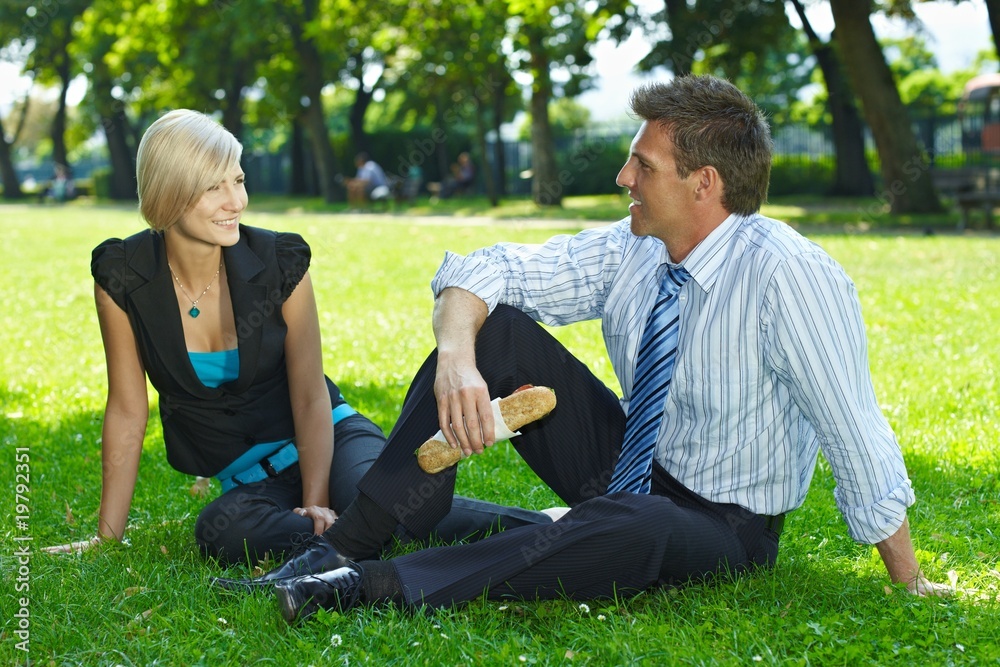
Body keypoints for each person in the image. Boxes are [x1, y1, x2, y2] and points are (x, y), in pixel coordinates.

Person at [224, 76, 948, 624]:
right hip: (627, 466)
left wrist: (908, 577)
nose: (622, 179)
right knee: (494, 327)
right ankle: (345, 544)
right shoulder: (632, 245)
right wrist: (456, 356)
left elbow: (855, 431)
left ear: (705, 184)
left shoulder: (790, 276)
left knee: (637, 525)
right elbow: (486, 269)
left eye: (643, 166)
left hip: (724, 524)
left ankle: (370, 585)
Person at [43, 110, 551, 565]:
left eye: (238, 180)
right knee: (220, 534)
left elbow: (309, 393)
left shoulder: (278, 263)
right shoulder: (124, 277)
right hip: (253, 484)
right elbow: (128, 411)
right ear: (170, 191)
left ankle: (549, 525)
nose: (236, 201)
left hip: (333, 439)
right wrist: (108, 538)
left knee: (381, 508)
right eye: (213, 187)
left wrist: (316, 500)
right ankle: (361, 531)